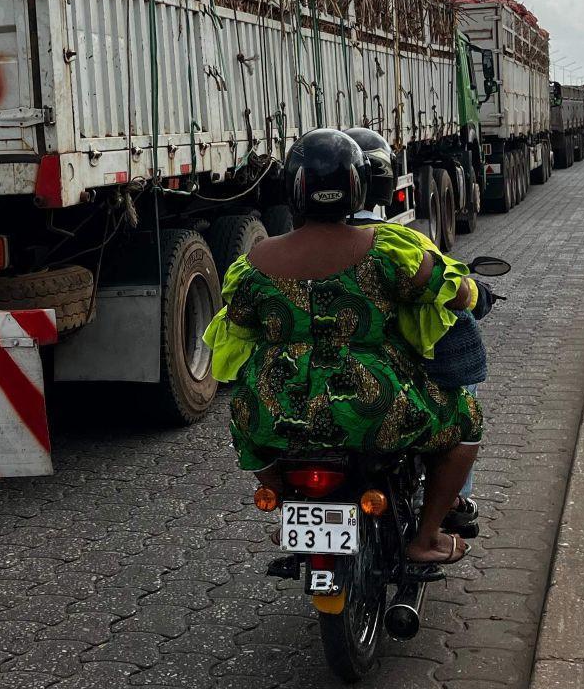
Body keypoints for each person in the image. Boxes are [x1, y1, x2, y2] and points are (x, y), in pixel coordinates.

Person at [204, 129, 482, 565]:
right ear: (358, 186)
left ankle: (288, 506)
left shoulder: (250, 266)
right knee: (465, 423)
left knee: (247, 426)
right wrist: (471, 292)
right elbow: (454, 292)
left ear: (293, 190)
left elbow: (233, 335)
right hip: (377, 406)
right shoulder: (390, 249)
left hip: (277, 407)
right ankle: (426, 538)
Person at [342, 126, 487, 540]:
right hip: (382, 398)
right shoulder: (399, 246)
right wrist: (475, 295)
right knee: (465, 412)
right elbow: (454, 294)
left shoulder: (271, 259)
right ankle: (443, 514)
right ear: (385, 183)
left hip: (295, 405)